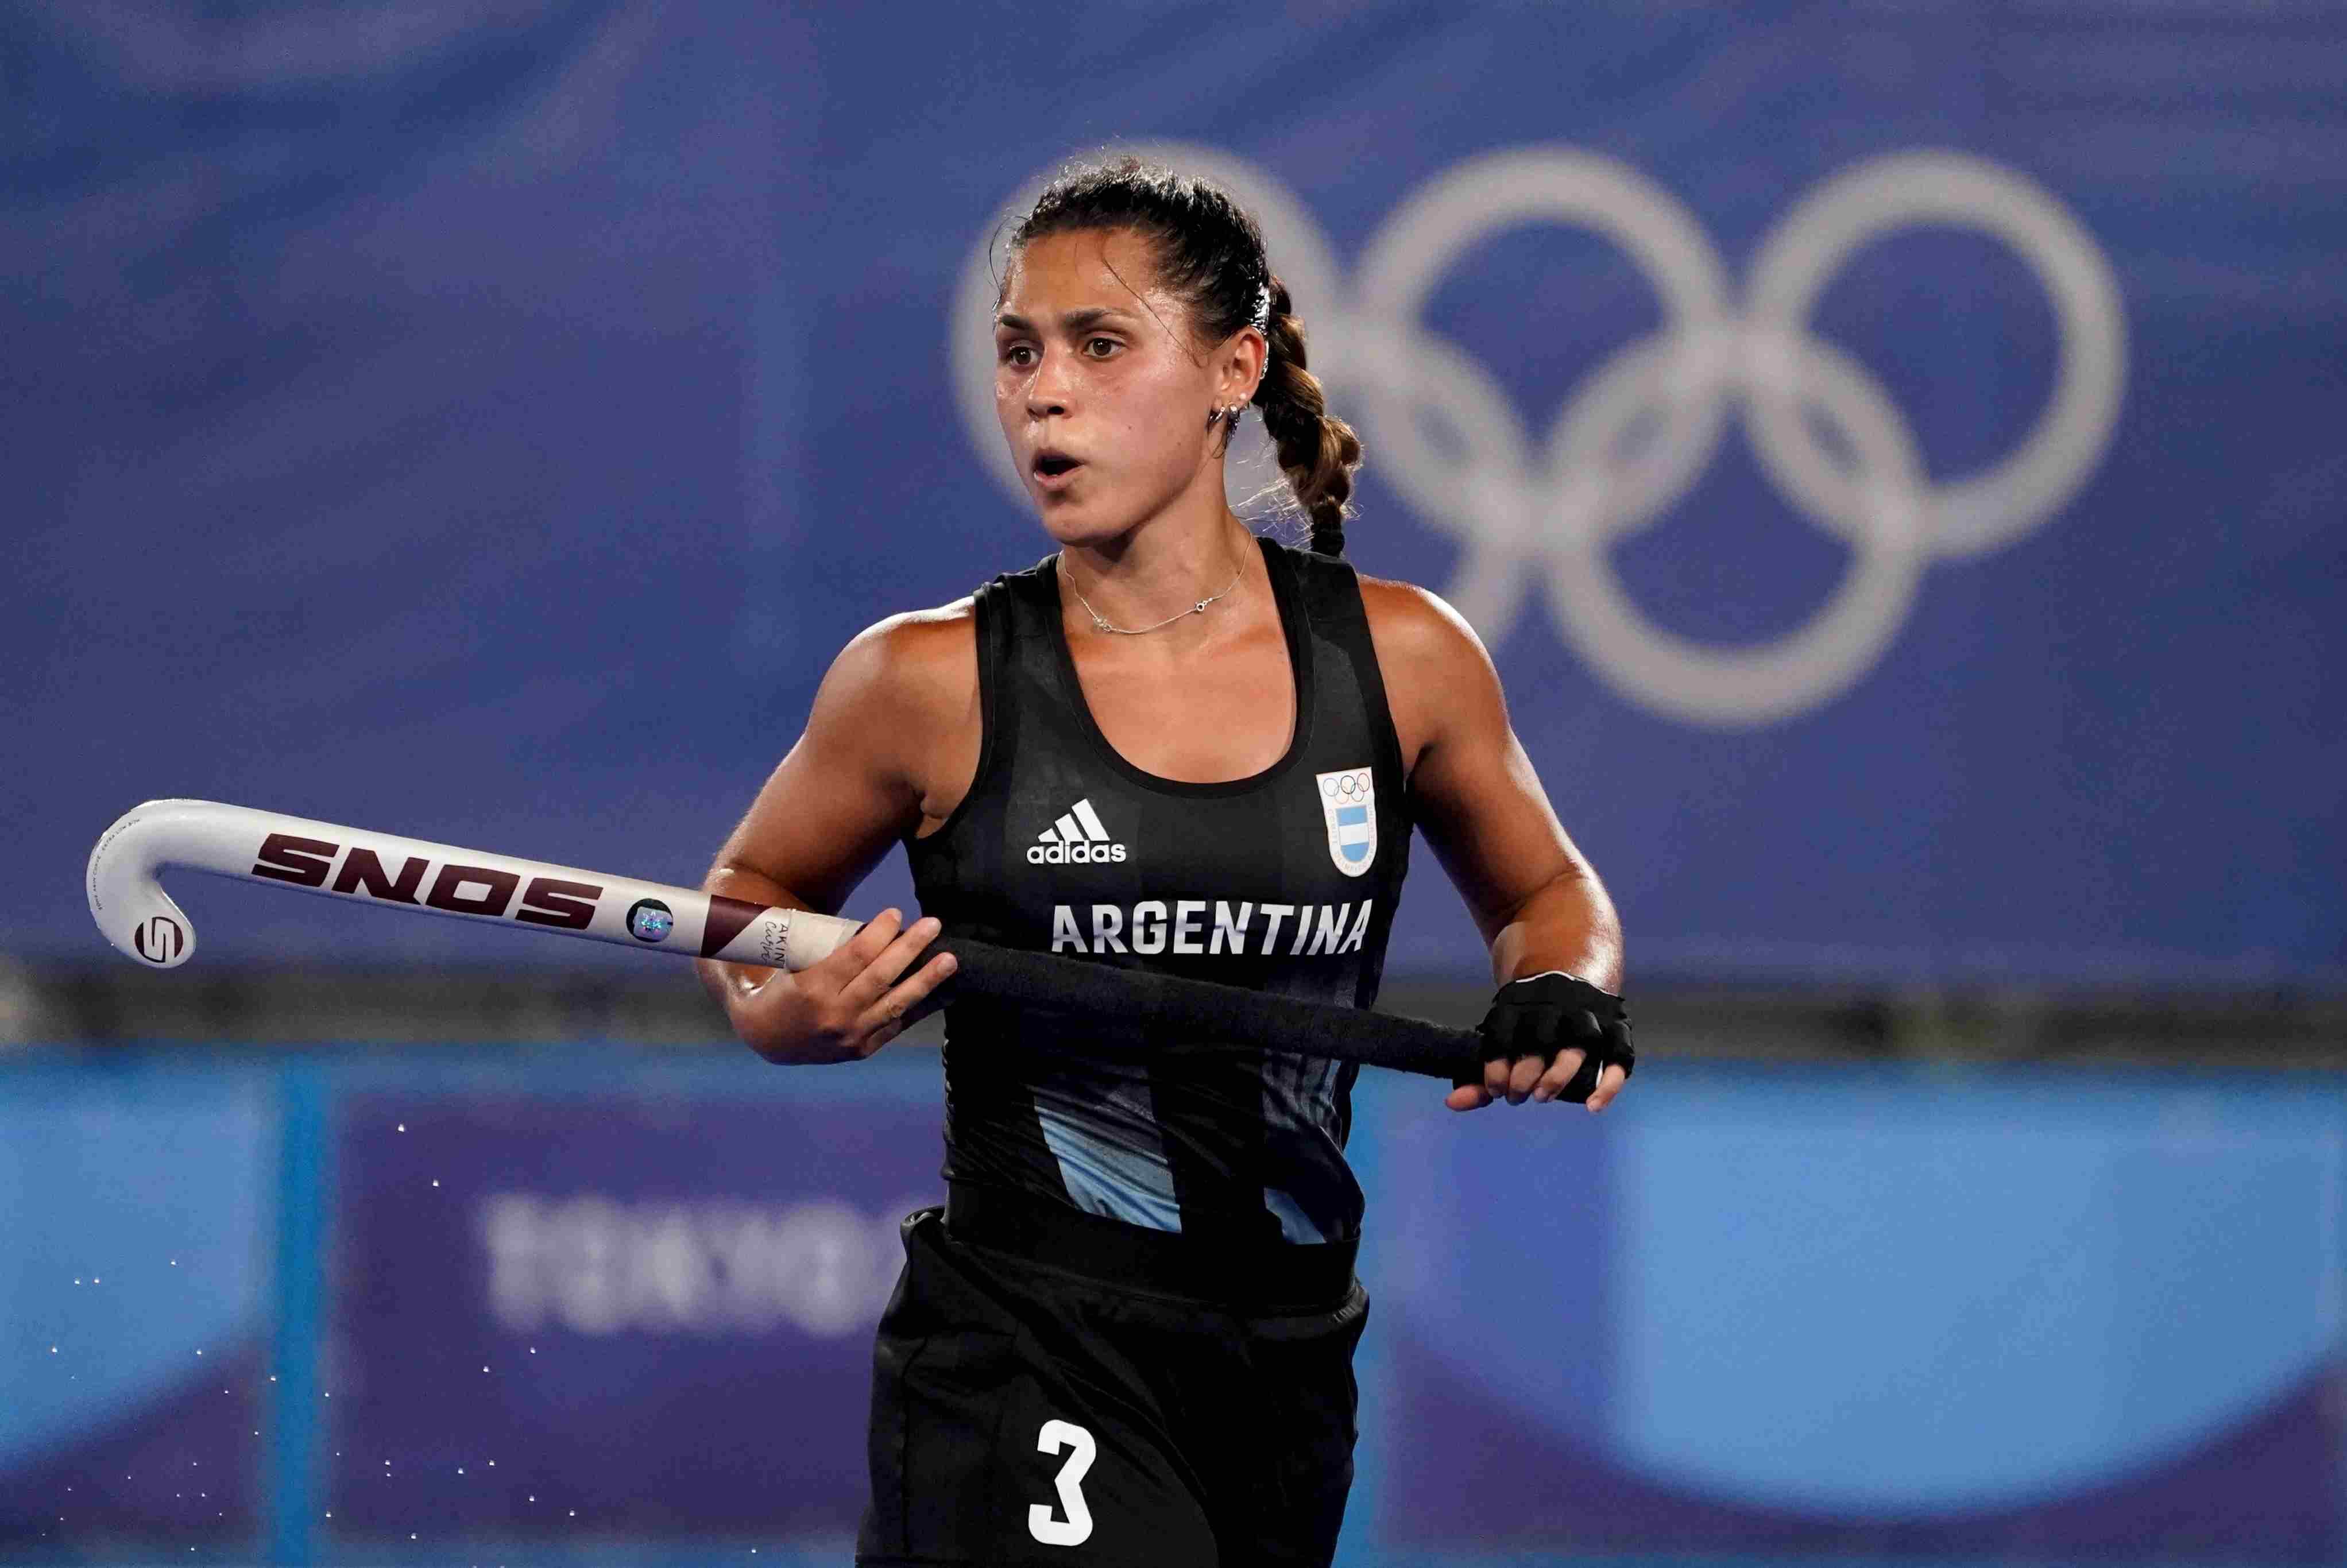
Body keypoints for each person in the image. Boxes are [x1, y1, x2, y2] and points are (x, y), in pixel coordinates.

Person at [695, 157, 1633, 1568]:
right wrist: (788, 1014)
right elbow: (746, 915)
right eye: (1019, 351)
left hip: (1288, 1358)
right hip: (1029, 1347)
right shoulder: (925, 678)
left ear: (1232, 369)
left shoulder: (1407, 658)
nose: (1041, 392)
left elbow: (1551, 898)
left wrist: (1563, 984)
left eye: (1099, 344)